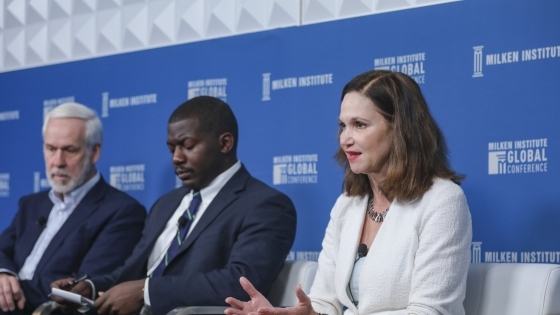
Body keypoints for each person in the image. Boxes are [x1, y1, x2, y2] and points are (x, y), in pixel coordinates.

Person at [225, 70, 472, 315]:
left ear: (400, 129)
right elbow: (323, 302)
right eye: (343, 126)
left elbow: (431, 312)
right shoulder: (348, 204)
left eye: (359, 125)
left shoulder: (443, 200)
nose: (345, 139)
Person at [52, 96, 297, 315]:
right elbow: (134, 271)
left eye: (188, 146)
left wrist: (147, 292)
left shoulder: (266, 205)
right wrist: (92, 287)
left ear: (225, 143)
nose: (177, 158)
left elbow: (241, 284)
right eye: (172, 149)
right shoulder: (165, 204)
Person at [0, 102, 147, 314]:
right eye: (51, 149)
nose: (57, 161)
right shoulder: (31, 204)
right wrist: (3, 275)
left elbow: (81, 288)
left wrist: (7, 292)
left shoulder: (122, 212)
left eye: (69, 150)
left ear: (94, 152)